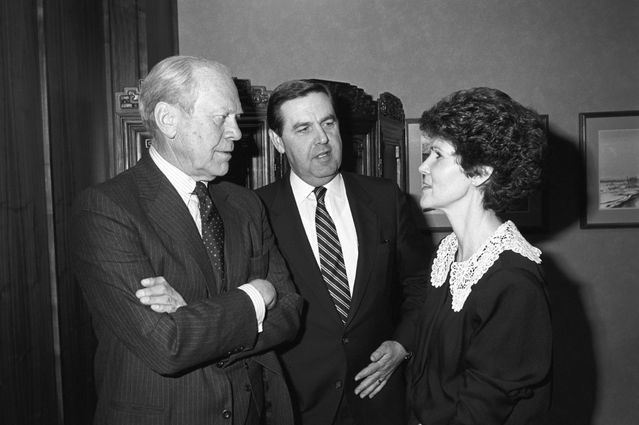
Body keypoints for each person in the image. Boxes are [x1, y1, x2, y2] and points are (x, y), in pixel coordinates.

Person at [71, 55, 302, 425]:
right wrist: (257, 295)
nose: (238, 133)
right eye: (221, 118)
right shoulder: (106, 209)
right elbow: (166, 345)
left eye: (236, 118)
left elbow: (290, 312)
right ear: (168, 120)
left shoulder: (244, 204)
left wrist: (193, 314)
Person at [256, 80, 431, 425]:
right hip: (296, 406)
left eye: (328, 123)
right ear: (278, 141)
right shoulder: (256, 210)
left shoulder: (385, 200)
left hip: (378, 398)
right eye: (303, 128)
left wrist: (402, 345)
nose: (321, 138)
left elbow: (421, 283)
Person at [407, 87, 552, 425]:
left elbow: (481, 411)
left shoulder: (512, 281)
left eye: (437, 155)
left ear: (479, 172)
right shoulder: (448, 256)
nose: (423, 167)